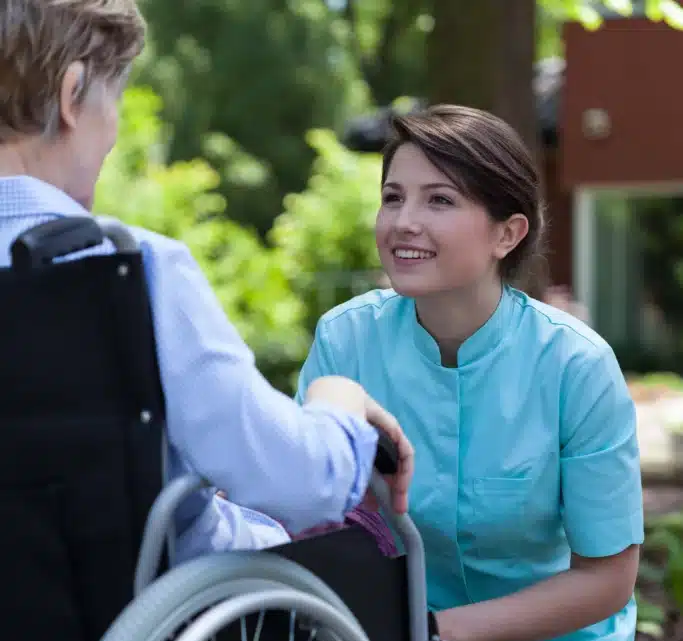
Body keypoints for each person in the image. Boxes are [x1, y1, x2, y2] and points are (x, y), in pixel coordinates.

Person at [297, 104, 643, 641]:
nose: (403, 223)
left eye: (439, 200)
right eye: (392, 196)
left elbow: (605, 579)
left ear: (506, 231)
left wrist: (448, 631)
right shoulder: (345, 342)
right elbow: (304, 517)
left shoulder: (574, 366)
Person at [0, 0, 414, 562]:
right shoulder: (130, 267)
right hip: (148, 623)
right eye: (114, 100)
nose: (113, 135)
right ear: (73, 94)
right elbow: (296, 482)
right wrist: (337, 400)